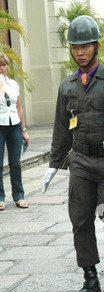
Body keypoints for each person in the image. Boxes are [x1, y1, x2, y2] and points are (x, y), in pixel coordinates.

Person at [42, 15, 104, 292]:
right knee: (80, 221)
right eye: (75, 47)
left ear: (96, 46)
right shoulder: (67, 86)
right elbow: (61, 127)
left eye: (85, 46)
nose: (80, 52)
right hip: (80, 161)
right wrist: (54, 164)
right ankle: (90, 276)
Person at [0, 52, 29, 211]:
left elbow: (19, 107)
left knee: (15, 163)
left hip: (15, 126)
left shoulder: (13, 84)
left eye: (4, 65)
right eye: (0, 65)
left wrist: (24, 130)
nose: (2, 68)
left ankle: (19, 196)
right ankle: (0, 198)